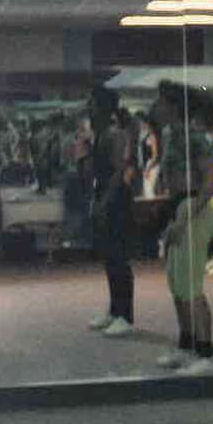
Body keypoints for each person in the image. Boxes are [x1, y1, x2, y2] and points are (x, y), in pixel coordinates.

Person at [153, 82, 213, 375]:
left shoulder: (195, 136)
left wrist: (186, 217)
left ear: (174, 106)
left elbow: (210, 184)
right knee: (177, 283)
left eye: (161, 102)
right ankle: (186, 344)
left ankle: (205, 352)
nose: (156, 107)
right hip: (178, 207)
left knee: (190, 286)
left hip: (194, 208)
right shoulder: (171, 135)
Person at [87, 87, 136, 337]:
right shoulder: (100, 134)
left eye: (92, 103)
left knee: (119, 259)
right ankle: (114, 310)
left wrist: (105, 201)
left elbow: (119, 172)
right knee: (109, 258)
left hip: (116, 200)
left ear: (104, 108)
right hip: (105, 198)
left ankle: (126, 315)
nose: (88, 108)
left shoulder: (115, 135)